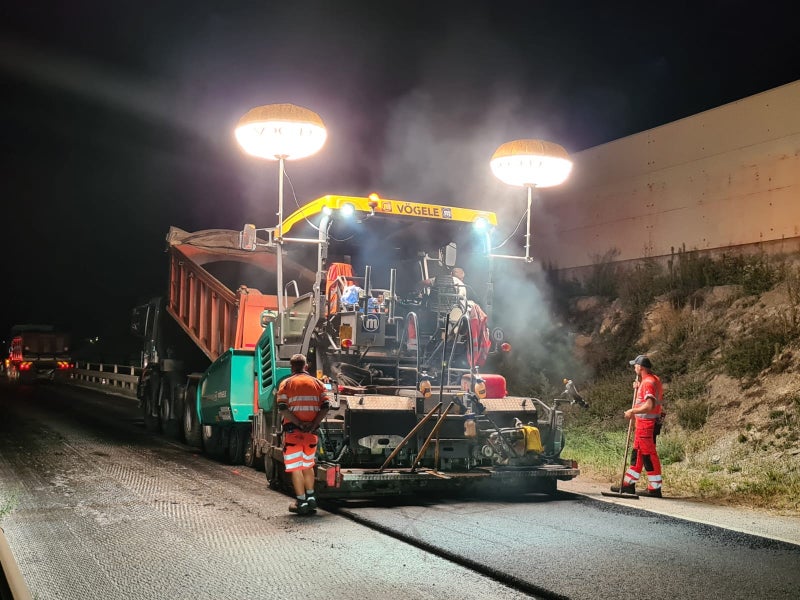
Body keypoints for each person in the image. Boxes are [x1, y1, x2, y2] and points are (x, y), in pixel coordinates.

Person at [276, 353, 332, 514]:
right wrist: (313, 424)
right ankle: (311, 497)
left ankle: (301, 502)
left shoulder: (286, 384)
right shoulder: (318, 383)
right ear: (306, 366)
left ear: (292, 367)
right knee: (308, 466)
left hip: (293, 434)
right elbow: (326, 406)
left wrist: (299, 424)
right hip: (311, 434)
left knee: (296, 467)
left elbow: (282, 408)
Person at [611, 354, 665, 497]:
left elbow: (649, 405)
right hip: (644, 424)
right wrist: (639, 385)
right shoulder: (653, 379)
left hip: (646, 425)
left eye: (635, 365)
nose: (634, 367)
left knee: (648, 455)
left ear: (640, 367)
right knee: (638, 454)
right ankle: (628, 484)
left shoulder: (648, 383)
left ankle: (655, 488)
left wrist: (632, 411)